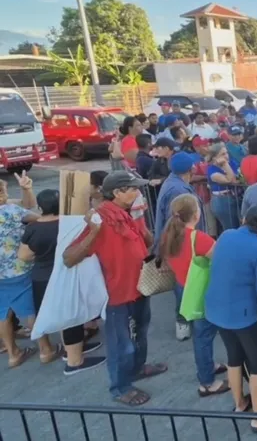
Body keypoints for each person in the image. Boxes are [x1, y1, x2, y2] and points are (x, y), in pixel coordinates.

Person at [62, 171, 167, 406]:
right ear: (118, 192)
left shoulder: (127, 213)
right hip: (117, 294)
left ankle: (137, 368)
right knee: (122, 344)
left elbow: (148, 243)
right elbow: (68, 258)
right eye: (134, 188)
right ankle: (120, 387)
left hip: (140, 287)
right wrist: (95, 233)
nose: (139, 192)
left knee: (140, 332)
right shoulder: (99, 219)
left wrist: (140, 219)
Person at [205, 205, 257, 434]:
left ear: (244, 219)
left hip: (216, 307)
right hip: (243, 313)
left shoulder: (227, 234)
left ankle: (240, 404)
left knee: (233, 356)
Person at [19, 189, 107, 372]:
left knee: (62, 316)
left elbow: (24, 255)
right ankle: (74, 361)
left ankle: (72, 350)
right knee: (71, 318)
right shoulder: (69, 224)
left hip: (41, 277)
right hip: (66, 276)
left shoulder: (32, 228)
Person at [159, 194, 227, 396]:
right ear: (196, 215)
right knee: (204, 335)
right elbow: (221, 260)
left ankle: (208, 367)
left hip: (184, 286)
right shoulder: (199, 239)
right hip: (203, 290)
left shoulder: (169, 235)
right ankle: (207, 381)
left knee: (201, 334)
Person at [1, 173, 40, 366]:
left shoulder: (12, 208)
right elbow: (35, 215)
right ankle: (46, 349)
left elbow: (25, 204)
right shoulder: (10, 211)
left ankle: (13, 353)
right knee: (30, 310)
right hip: (19, 269)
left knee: (2, 313)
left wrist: (26, 190)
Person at [204, 144, 240, 233]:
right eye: (222, 154)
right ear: (214, 158)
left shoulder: (231, 163)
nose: (226, 156)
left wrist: (226, 165)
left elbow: (236, 179)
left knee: (236, 226)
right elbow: (229, 180)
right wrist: (225, 165)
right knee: (230, 228)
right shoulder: (212, 170)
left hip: (233, 197)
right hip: (221, 200)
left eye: (226, 153)